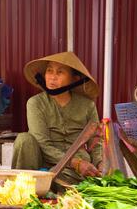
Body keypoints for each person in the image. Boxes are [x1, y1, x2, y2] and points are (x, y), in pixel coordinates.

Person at [12, 52, 103, 186]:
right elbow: (42, 144)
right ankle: (24, 187)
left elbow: (96, 143)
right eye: (49, 71)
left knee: (65, 180)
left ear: (73, 79)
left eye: (60, 72)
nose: (52, 77)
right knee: (24, 139)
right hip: (45, 163)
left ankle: (51, 185)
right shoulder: (36, 103)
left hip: (76, 169)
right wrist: (76, 163)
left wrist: (101, 164)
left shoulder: (87, 105)